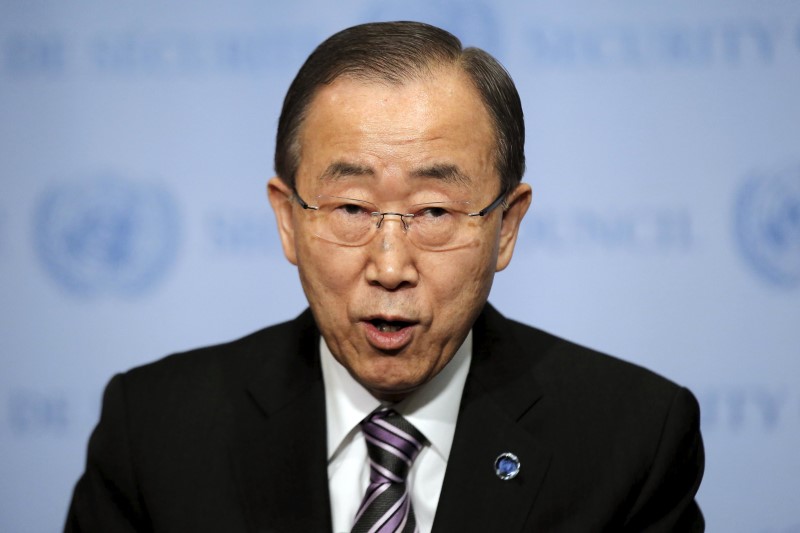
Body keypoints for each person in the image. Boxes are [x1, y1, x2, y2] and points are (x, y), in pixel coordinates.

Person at [65, 21, 704, 532]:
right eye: (350, 209)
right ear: (287, 219)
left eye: (433, 212)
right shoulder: (154, 431)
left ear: (506, 226)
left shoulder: (631, 439)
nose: (391, 267)